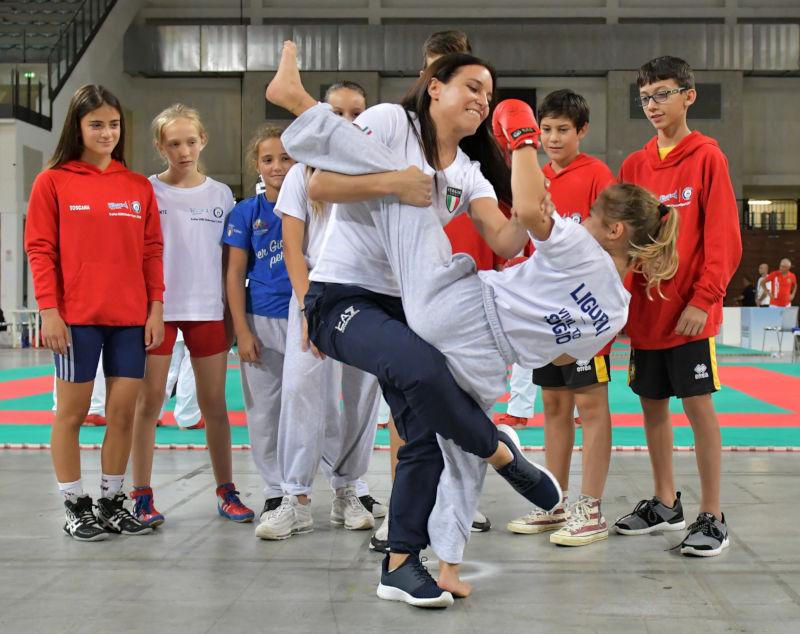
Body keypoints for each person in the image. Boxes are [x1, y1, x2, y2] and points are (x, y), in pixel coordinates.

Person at [268, 41, 677, 606]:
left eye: (490, 94)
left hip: (428, 304)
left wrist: (532, 188)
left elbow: (510, 237)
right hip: (349, 293)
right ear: (434, 86)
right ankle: (497, 453)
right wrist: (398, 185)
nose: (484, 101)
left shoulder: (470, 172)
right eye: (473, 87)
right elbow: (317, 187)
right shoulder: (391, 122)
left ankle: (407, 563)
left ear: (611, 231)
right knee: (424, 368)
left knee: (426, 439)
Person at [613, 56, 742, 557]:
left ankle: (713, 514)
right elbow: (621, 242)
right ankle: (666, 503)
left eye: (662, 93)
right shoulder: (634, 165)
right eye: (645, 97)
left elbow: (724, 238)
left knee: (698, 408)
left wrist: (705, 298)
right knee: (651, 406)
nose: (652, 105)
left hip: (690, 313)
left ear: (689, 96)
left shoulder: (708, 157)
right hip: (646, 314)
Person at [25, 84, 164, 541]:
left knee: (123, 413)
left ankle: (109, 501)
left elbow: (151, 252)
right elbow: (39, 249)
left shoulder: (137, 186)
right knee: (72, 413)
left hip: (129, 319)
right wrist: (49, 310)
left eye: (113, 124)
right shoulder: (53, 181)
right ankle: (74, 505)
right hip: (75, 319)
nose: (107, 132)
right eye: (96, 124)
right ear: (78, 127)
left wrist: (155, 307)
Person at [258, 81, 386, 541]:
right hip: (313, 292)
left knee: (361, 396)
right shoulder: (300, 174)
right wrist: (309, 304)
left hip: (368, 293)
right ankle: (295, 497)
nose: (348, 122)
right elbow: (293, 246)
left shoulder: (378, 168)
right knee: (300, 389)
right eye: (337, 113)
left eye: (357, 113)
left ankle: (348, 489)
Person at [129, 104, 252, 527]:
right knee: (149, 404)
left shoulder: (220, 195)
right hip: (158, 312)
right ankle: (141, 494)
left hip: (207, 311)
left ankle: (226, 490)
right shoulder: (146, 191)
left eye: (191, 141)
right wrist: (146, 308)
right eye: (174, 143)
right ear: (160, 146)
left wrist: (233, 317)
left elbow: (229, 262)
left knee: (214, 404)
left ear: (203, 141)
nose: (184, 151)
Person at [506, 89, 616, 547]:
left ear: (582, 131)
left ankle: (589, 508)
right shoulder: (535, 175)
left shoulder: (598, 175)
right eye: (545, 129)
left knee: (590, 407)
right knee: (552, 406)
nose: (552, 138)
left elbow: (609, 244)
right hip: (545, 317)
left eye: (562, 130)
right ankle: (554, 503)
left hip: (585, 317)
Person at [223, 124, 294, 524]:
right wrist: (242, 330)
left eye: (286, 158)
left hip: (304, 319)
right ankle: (273, 489)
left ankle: (332, 487)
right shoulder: (246, 212)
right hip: (260, 318)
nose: (278, 166)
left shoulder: (314, 204)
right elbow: (233, 275)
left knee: (314, 410)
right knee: (264, 410)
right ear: (257, 164)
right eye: (269, 159)